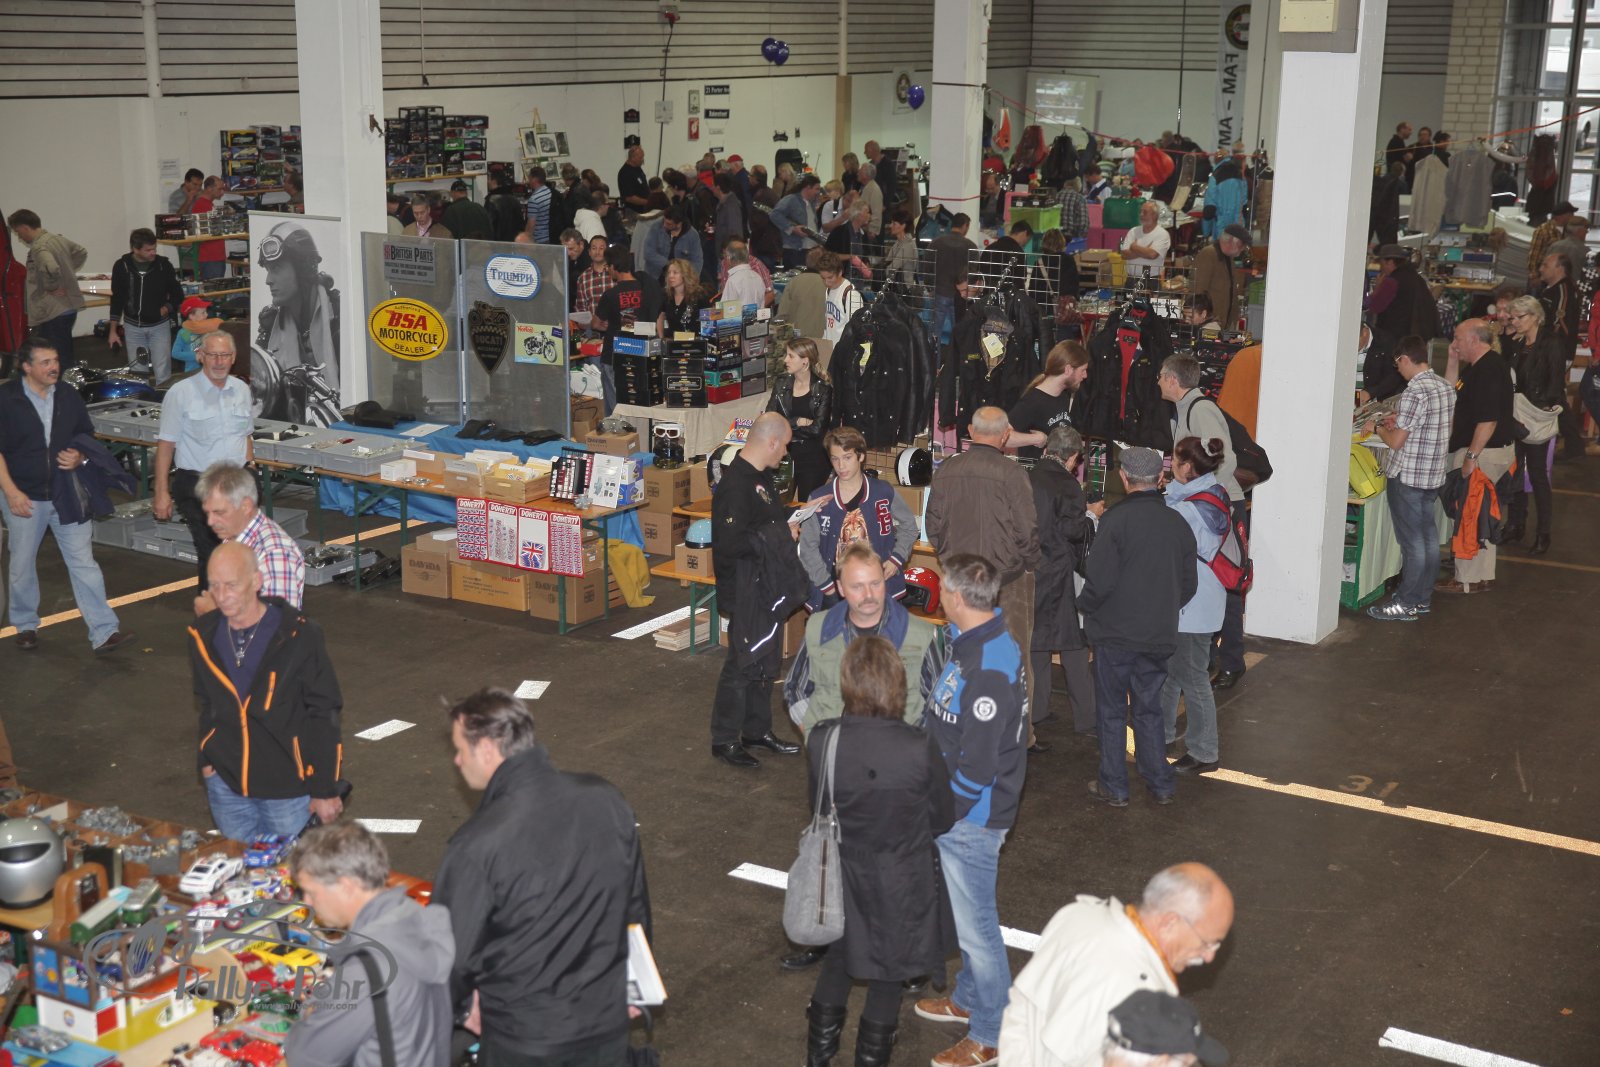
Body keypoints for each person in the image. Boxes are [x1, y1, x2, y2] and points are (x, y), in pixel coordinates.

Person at [433, 687, 650, 1065]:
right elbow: (634, 907)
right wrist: (636, 986)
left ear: (487, 749)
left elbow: (448, 955)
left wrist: (462, 1007)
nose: (456, 759)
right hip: (606, 1025)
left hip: (527, 1039)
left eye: (460, 749)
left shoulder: (477, 844)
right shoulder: (605, 799)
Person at [802, 635, 955, 1067]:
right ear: (897, 684)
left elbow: (818, 806)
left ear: (847, 683)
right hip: (900, 880)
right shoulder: (918, 745)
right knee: (888, 977)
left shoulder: (823, 739)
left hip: (840, 876)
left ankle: (818, 1056)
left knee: (837, 963)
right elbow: (942, 816)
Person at [913, 554, 1029, 1067]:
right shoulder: (974, 642)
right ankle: (967, 999)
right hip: (961, 811)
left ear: (958, 598)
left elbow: (978, 767)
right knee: (967, 919)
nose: (939, 594)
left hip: (970, 819)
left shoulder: (988, 666)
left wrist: (943, 813)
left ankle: (990, 1033)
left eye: (943, 589)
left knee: (978, 928)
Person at [998, 864, 1236, 1067]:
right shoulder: (1143, 1008)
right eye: (1208, 943)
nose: (1209, 957)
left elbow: (1020, 1008)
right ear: (1170, 923)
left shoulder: (1078, 916)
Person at [191, 541, 343, 840]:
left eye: (231, 585)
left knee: (292, 868)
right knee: (239, 868)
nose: (222, 596)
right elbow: (206, 702)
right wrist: (207, 762)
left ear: (256, 581)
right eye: (214, 586)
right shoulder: (202, 635)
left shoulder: (300, 634)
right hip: (226, 786)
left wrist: (324, 788)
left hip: (288, 790)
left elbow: (324, 713)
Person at [1079, 447, 1198, 807]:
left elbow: (1099, 580)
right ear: (1161, 479)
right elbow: (1188, 584)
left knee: (1112, 711)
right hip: (1158, 634)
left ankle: (1114, 785)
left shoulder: (1115, 520)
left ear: (1123, 478)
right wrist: (1160, 609)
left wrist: (1083, 607)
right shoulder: (1177, 524)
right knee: (1149, 709)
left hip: (1115, 634)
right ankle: (1160, 782)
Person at [283, 823, 455, 1067]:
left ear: (346, 886)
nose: (307, 902)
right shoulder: (415, 915)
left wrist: (311, 1010)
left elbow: (306, 1057)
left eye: (311, 892)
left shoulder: (367, 968)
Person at [0, 339, 132, 655]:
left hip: (66, 493)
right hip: (24, 496)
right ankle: (26, 624)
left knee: (84, 562)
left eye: (55, 360)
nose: (54, 367)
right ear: (26, 367)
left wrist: (79, 457)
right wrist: (11, 492)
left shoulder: (69, 395)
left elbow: (83, 434)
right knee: (21, 565)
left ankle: (104, 631)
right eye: (45, 362)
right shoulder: (6, 399)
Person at [926, 407, 1042, 745]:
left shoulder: (947, 470)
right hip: (1008, 580)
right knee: (1014, 659)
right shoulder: (1012, 474)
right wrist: (1030, 563)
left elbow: (933, 526)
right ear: (1005, 435)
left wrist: (950, 561)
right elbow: (1027, 530)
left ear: (970, 432)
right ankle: (1016, 736)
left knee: (962, 657)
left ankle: (961, 725)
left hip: (961, 583)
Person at [709, 413, 805, 768]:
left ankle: (756, 730)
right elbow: (731, 543)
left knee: (764, 658)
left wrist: (796, 514)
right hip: (744, 588)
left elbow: (765, 520)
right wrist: (781, 534)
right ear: (772, 442)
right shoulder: (735, 486)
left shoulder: (760, 477)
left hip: (764, 582)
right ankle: (724, 739)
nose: (786, 453)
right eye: (785, 446)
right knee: (741, 662)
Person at [786, 539, 945, 740]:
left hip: (898, 752)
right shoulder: (819, 629)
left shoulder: (920, 634)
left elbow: (939, 701)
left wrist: (912, 747)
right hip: (837, 750)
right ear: (841, 588)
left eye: (875, 583)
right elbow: (796, 688)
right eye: (857, 586)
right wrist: (818, 741)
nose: (868, 595)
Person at [1364, 334, 1456, 621]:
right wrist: (1398, 421)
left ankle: (1404, 603)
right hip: (1431, 475)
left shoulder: (1414, 392)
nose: (1398, 370)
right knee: (1428, 541)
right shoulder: (1445, 386)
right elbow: (1433, 426)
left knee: (1412, 545)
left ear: (1405, 359)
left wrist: (1377, 427)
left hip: (1408, 477)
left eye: (1397, 364)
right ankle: (1421, 599)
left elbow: (1395, 442)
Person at [155, 330, 254, 587]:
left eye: (225, 355)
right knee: (213, 555)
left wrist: (251, 467)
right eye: (213, 355)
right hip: (198, 486)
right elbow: (166, 445)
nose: (219, 362)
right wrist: (161, 492)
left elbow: (246, 435)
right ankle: (211, 608)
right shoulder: (180, 393)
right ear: (200, 356)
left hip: (238, 485)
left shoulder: (241, 390)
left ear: (233, 357)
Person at [1158, 437, 1230, 774]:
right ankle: (1161, 733)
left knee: (1192, 678)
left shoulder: (1186, 511)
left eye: (1175, 460)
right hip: (1205, 600)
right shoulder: (1214, 494)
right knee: (1174, 673)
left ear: (1188, 466)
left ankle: (1204, 751)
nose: (1170, 464)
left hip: (1190, 606)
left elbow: (1163, 540)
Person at [796, 427, 919, 610]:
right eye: (835, 459)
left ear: (861, 456)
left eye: (847, 458)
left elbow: (909, 526)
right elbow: (807, 547)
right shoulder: (819, 497)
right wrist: (827, 586)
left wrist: (896, 558)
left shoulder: (883, 491)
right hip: (833, 589)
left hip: (879, 586)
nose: (841, 466)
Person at [1437, 319, 1516, 594]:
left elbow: (1488, 420)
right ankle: (1483, 576)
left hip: (1483, 452)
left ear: (1474, 339)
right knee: (1483, 514)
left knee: (1467, 514)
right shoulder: (1478, 367)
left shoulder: (1488, 370)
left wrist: (1471, 457)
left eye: (1457, 338)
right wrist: (1452, 360)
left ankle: (1466, 580)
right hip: (1487, 450)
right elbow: (1450, 394)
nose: (1454, 343)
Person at [1029, 425, 1099, 738]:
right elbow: (1073, 531)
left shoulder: (1028, 478)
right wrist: (1090, 516)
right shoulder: (1068, 485)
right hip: (1058, 572)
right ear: (1072, 457)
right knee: (1073, 645)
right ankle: (1087, 718)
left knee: (1036, 642)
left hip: (1029, 569)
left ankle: (1037, 709)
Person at [255, 219, 341, 416]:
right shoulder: (270, 323)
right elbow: (261, 386)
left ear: (303, 269)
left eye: (276, 269)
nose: (268, 280)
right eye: (268, 270)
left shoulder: (338, 316)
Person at [194, 461, 306, 612]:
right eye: (207, 513)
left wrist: (212, 614)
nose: (210, 521)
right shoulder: (234, 539)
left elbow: (278, 622)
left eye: (219, 513)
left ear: (245, 506)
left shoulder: (274, 554)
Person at [1499, 298, 1564, 555]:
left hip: (1536, 416)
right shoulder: (1517, 344)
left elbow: (1556, 381)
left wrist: (1543, 410)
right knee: (1514, 472)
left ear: (1535, 316)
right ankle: (1515, 524)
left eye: (1519, 317)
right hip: (1517, 416)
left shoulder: (1551, 343)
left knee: (1537, 475)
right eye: (1513, 317)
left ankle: (1543, 533)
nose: (1514, 321)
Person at [6, 210, 87, 369]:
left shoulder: (39, 247)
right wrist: (66, 272)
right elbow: (81, 252)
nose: (19, 237)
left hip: (54, 311)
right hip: (67, 309)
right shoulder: (57, 239)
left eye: (18, 232)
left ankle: (62, 383)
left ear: (25, 227)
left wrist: (52, 287)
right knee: (63, 353)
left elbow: (51, 268)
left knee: (56, 357)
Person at [108, 227, 185, 385]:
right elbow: (117, 299)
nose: (153, 253)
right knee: (138, 373)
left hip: (159, 327)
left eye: (154, 248)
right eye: (148, 250)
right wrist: (113, 331)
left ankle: (164, 399)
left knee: (163, 371)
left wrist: (167, 308)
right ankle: (142, 399)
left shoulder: (164, 266)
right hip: (133, 328)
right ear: (135, 249)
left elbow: (178, 294)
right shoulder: (121, 266)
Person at [591, 247, 662, 414]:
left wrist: (608, 325)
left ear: (614, 266)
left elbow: (595, 324)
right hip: (641, 353)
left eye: (608, 266)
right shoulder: (647, 288)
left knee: (617, 408)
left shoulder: (611, 295)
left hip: (614, 354)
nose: (607, 270)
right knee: (640, 402)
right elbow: (658, 314)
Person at [766, 337, 834, 500]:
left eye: (791, 356)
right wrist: (797, 421)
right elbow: (769, 419)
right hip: (782, 457)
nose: (785, 360)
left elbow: (817, 430)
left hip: (813, 460)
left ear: (805, 361)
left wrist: (784, 427)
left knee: (807, 506)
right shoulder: (781, 383)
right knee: (778, 505)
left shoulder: (823, 389)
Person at [1008, 341, 1089, 459]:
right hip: (1035, 470)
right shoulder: (1033, 401)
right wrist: (1036, 438)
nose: (1085, 375)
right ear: (1068, 370)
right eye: (1083, 370)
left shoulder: (1063, 396)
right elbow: (1002, 437)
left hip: (1055, 469)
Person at [1191, 225, 1248, 331]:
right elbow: (1198, 291)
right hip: (1208, 325)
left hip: (1220, 324)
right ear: (1231, 241)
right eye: (1241, 244)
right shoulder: (1208, 254)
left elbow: (1231, 291)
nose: (1243, 248)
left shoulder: (1228, 258)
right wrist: (1200, 320)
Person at [932, 214, 977, 342]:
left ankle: (933, 354)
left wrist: (929, 286)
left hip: (940, 291)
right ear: (965, 226)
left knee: (935, 332)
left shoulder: (936, 243)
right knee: (959, 333)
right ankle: (955, 355)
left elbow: (928, 267)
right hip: (960, 296)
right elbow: (973, 272)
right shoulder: (971, 246)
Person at [771, 174, 823, 269]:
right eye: (816, 189)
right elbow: (775, 215)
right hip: (795, 250)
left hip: (810, 250)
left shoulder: (811, 203)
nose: (818, 192)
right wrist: (792, 229)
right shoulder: (791, 199)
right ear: (808, 187)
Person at [777, 247, 827, 339]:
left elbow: (782, 315)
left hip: (796, 338)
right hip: (822, 338)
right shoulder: (829, 284)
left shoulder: (793, 282)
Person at [642, 206, 703, 281]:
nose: (664, 225)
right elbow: (648, 252)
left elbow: (697, 261)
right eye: (664, 221)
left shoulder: (692, 235)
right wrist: (669, 265)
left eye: (669, 224)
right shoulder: (656, 227)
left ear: (679, 224)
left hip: (680, 278)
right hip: (655, 276)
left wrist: (692, 278)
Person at [1526, 201, 1577, 289]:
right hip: (1542, 278)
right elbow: (1533, 255)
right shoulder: (1543, 230)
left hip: (1560, 277)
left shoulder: (1569, 231)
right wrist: (1534, 277)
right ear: (1562, 216)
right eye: (1571, 214)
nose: (1573, 216)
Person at [657, 257, 709, 337]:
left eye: (675, 272)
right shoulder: (666, 295)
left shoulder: (699, 295)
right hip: (671, 340)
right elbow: (660, 316)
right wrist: (661, 338)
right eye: (669, 273)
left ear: (685, 274)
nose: (671, 276)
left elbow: (708, 322)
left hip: (694, 341)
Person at [1120, 201, 1170, 283]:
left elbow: (1152, 255)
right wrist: (1145, 250)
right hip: (1131, 279)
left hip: (1151, 280)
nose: (1141, 214)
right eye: (1140, 212)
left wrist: (1134, 247)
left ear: (1154, 215)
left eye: (1145, 212)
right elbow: (1124, 254)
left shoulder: (1162, 234)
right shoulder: (1133, 231)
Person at [818, 251, 863, 344]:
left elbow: (856, 331)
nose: (826, 282)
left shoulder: (851, 294)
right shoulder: (828, 290)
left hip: (843, 349)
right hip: (830, 347)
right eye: (823, 278)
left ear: (840, 273)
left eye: (830, 277)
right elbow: (827, 326)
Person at [1356, 322, 1402, 404]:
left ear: (1365, 333)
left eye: (1356, 344)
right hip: (1349, 399)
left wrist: (1370, 393)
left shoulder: (1386, 342)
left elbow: (1394, 376)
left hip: (1373, 402)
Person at [881, 206, 920, 291]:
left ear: (903, 226)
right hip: (897, 288)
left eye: (894, 223)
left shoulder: (908, 245)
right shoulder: (899, 243)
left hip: (904, 290)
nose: (890, 225)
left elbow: (891, 268)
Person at [574, 234, 611, 315]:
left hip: (614, 322)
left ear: (608, 251)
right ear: (589, 252)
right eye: (594, 248)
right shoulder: (583, 278)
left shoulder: (615, 273)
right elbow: (580, 308)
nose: (597, 252)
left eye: (601, 248)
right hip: (591, 323)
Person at [519, 167, 552, 243]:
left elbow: (531, 224)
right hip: (549, 236)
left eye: (529, 178)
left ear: (534, 179)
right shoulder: (549, 192)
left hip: (539, 239)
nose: (528, 181)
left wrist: (525, 240)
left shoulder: (534, 199)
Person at [857, 161, 886, 243]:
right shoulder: (865, 187)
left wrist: (873, 230)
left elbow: (877, 212)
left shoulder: (874, 189)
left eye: (860, 171)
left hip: (869, 232)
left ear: (865, 175)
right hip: (863, 229)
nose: (858, 173)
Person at [617, 145, 651, 211]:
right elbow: (629, 198)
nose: (643, 160)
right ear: (633, 158)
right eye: (640, 157)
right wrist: (648, 202)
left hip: (643, 209)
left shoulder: (637, 168)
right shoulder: (625, 173)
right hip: (633, 211)